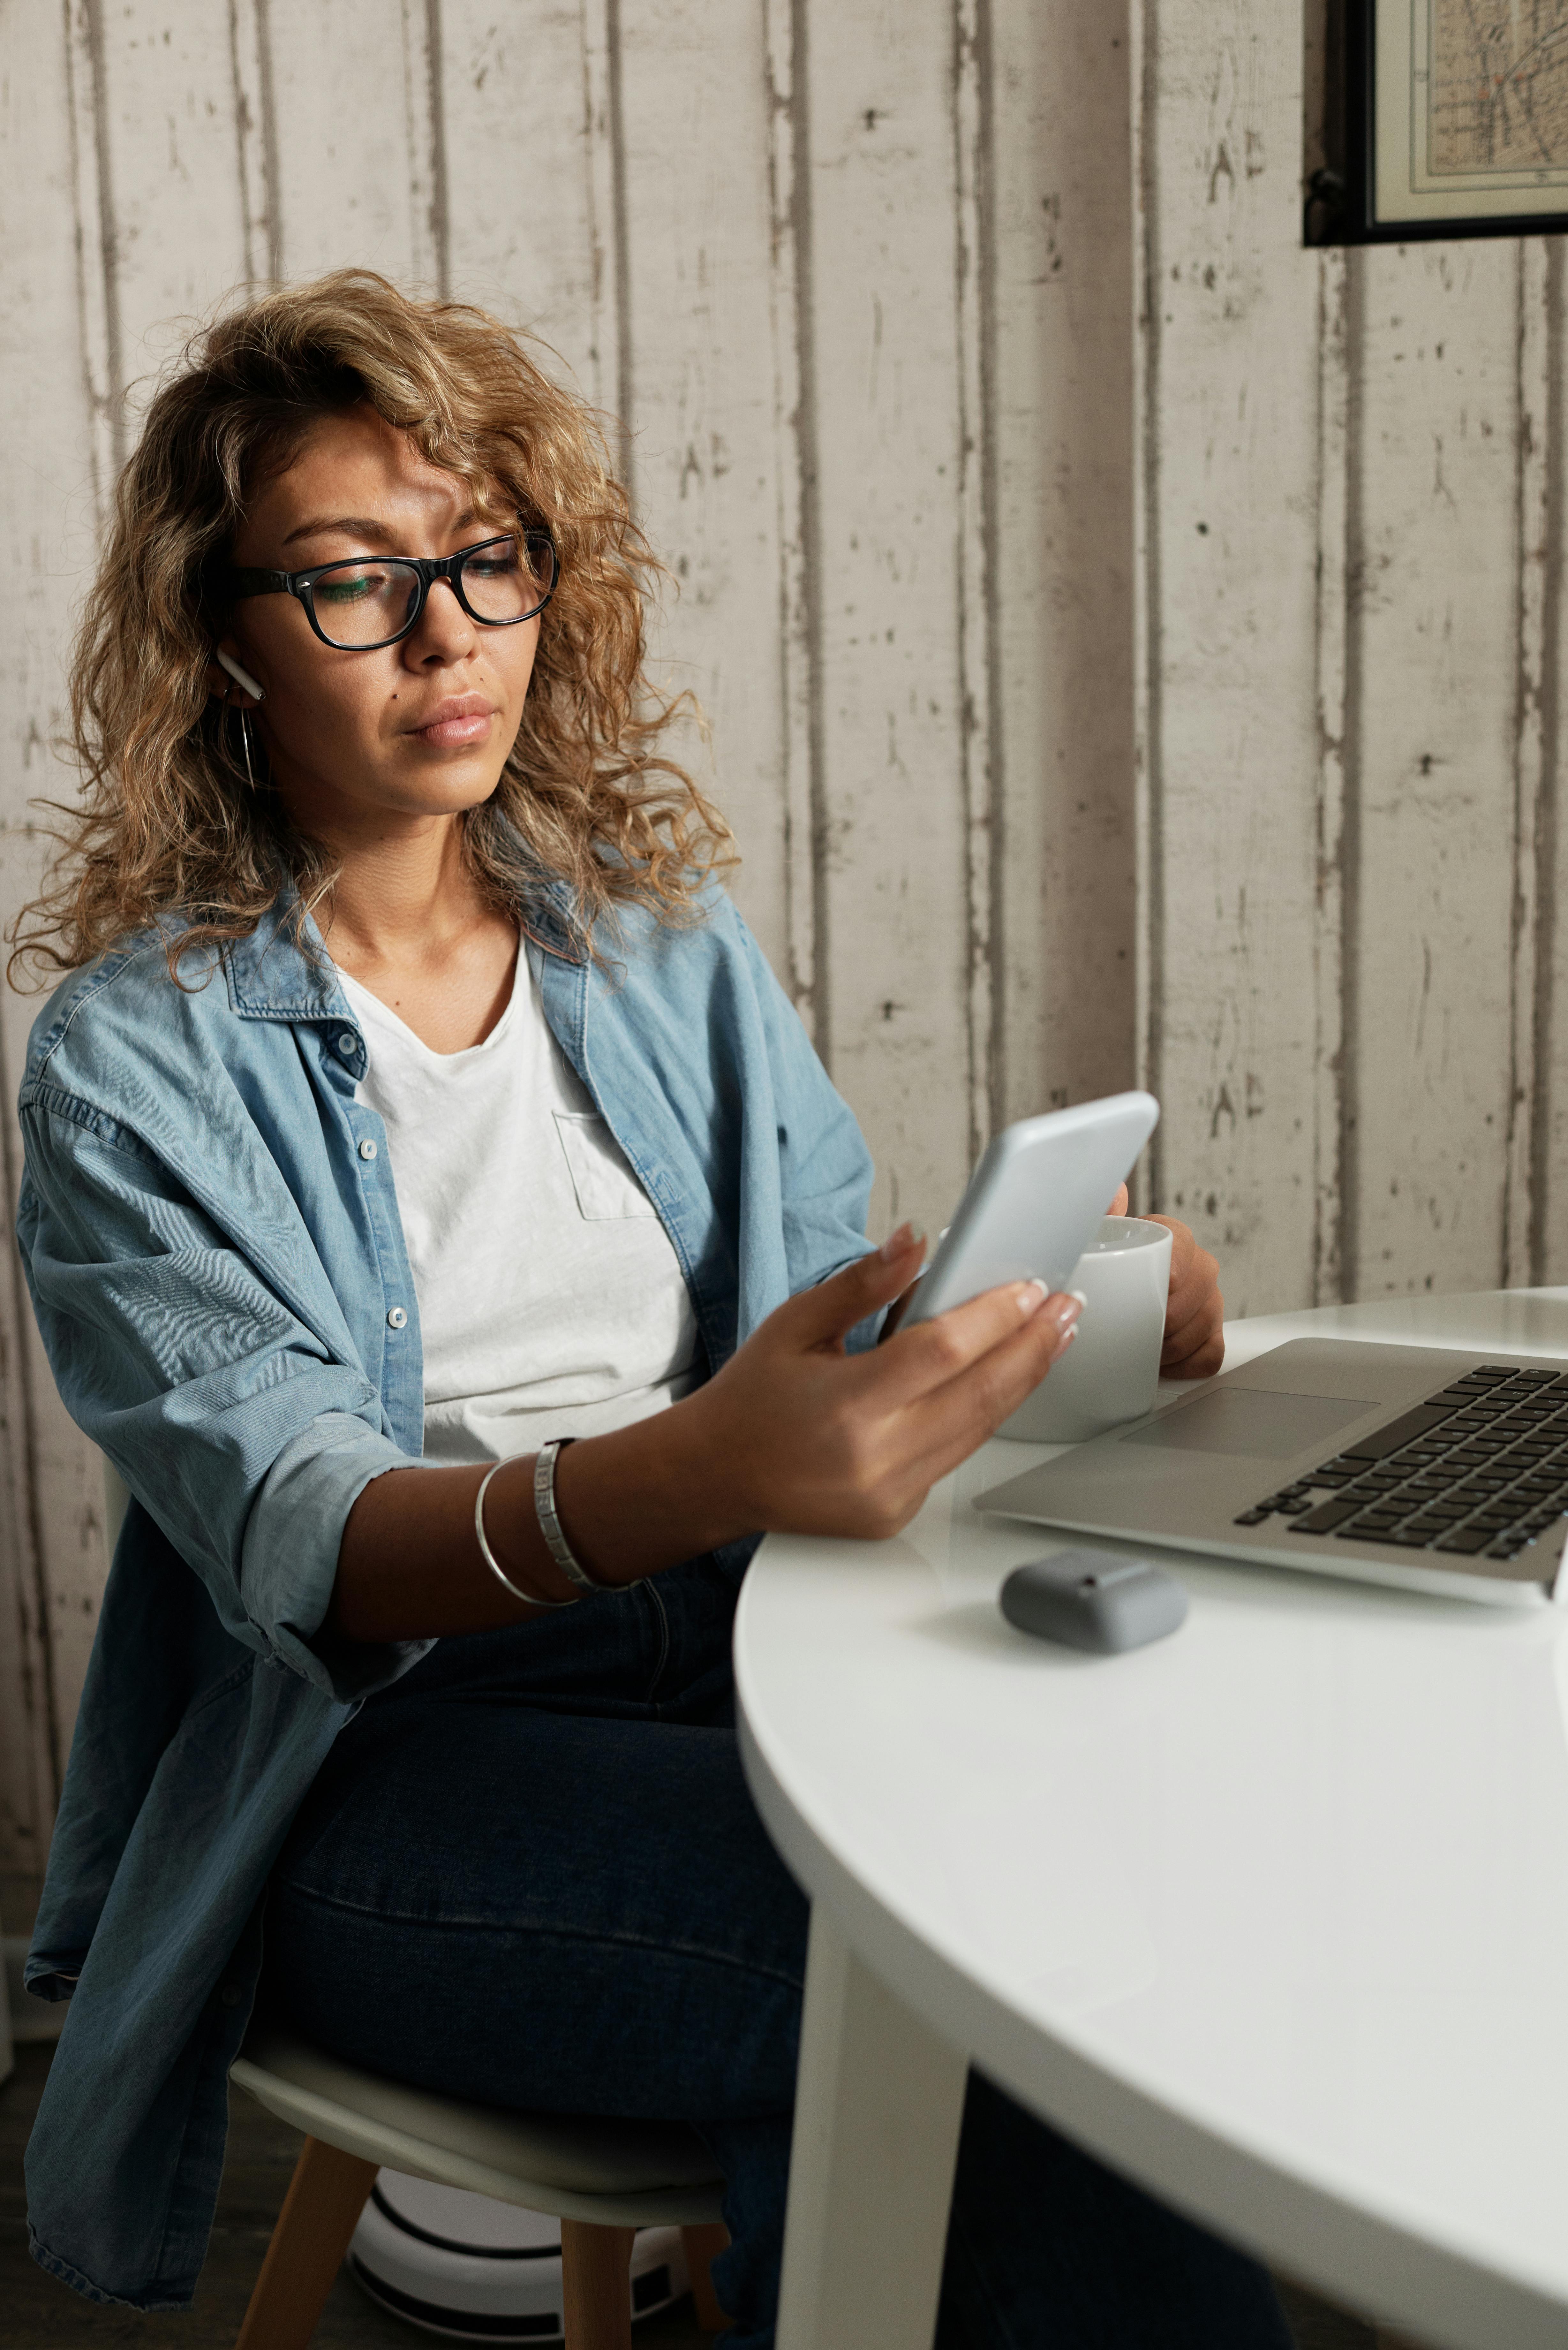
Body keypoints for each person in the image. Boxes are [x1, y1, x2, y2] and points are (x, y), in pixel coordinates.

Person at [13, 271, 1275, 2346]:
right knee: (952, 1975)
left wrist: (1067, 1320)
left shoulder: (655, 943)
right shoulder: (131, 1065)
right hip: (384, 1765)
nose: (443, 635)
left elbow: (814, 1351)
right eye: (351, 584)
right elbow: (305, 1543)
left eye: (483, 560)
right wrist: (688, 1476)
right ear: (221, 645)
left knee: (1103, 1863)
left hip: (756, 1653)